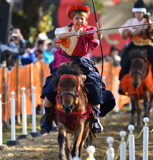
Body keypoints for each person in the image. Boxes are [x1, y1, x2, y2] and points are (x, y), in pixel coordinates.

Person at [40, 5, 115, 133]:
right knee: (52, 87)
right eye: (77, 18)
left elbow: (95, 36)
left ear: (86, 20)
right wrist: (76, 32)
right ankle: (47, 117)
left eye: (82, 19)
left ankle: (95, 120)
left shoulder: (89, 30)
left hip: (82, 62)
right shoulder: (65, 30)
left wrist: (98, 35)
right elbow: (59, 34)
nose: (80, 21)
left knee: (94, 85)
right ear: (72, 18)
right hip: (63, 61)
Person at [118, 0, 153, 95]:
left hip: (147, 46)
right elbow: (123, 35)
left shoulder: (148, 22)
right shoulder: (130, 22)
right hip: (134, 45)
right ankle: (122, 85)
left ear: (143, 13)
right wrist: (128, 31)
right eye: (136, 12)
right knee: (124, 62)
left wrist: (152, 28)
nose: (137, 14)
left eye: (140, 12)